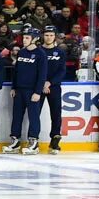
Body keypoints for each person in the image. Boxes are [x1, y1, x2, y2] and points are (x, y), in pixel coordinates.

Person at [3, 27, 46, 155]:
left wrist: (38, 92)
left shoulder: (40, 54)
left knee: (33, 117)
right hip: (19, 91)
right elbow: (16, 72)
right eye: (24, 37)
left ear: (35, 39)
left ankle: (33, 142)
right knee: (17, 116)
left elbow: (42, 75)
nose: (24, 40)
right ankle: (15, 141)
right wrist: (14, 87)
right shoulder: (21, 52)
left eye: (27, 38)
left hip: (32, 91)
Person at [39, 25, 67, 154]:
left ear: (54, 36)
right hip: (38, 87)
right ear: (42, 36)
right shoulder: (38, 51)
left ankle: (55, 139)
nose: (49, 37)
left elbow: (62, 71)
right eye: (46, 35)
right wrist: (42, 83)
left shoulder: (60, 52)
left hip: (54, 87)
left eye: (51, 35)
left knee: (56, 114)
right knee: (34, 114)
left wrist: (49, 83)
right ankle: (33, 138)